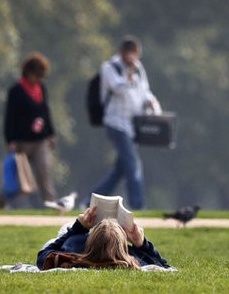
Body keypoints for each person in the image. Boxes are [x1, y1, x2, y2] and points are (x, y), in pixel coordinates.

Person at [88, 36, 160, 210]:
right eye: (130, 55)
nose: (134, 59)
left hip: (133, 125)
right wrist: (129, 75)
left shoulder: (139, 69)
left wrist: (151, 103)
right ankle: (138, 205)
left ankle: (91, 202)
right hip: (116, 123)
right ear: (122, 53)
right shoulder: (109, 68)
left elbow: (144, 91)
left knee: (120, 170)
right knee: (133, 164)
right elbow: (117, 87)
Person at [0, 52, 57, 207]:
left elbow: (46, 112)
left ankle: (50, 206)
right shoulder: (16, 91)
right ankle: (2, 203)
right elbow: (9, 117)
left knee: (44, 173)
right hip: (21, 142)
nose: (39, 79)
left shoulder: (41, 89)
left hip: (40, 141)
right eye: (37, 75)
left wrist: (51, 133)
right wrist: (10, 140)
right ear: (28, 72)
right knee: (17, 178)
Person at [36, 206, 170, 270]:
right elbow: (164, 267)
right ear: (122, 246)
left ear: (90, 240)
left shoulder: (76, 244)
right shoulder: (134, 259)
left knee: (64, 231)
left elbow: (44, 255)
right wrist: (141, 244)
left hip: (74, 244)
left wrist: (78, 228)